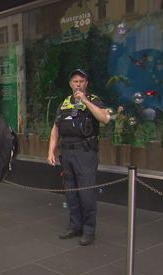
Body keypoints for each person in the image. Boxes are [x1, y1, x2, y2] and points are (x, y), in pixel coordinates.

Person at [47, 69, 110, 246]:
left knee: (86, 193)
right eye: (75, 81)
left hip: (85, 153)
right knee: (71, 193)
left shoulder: (94, 100)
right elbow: (55, 129)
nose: (78, 84)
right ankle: (74, 226)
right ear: (70, 84)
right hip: (66, 154)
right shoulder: (64, 104)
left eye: (82, 81)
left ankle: (89, 230)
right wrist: (51, 151)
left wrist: (85, 101)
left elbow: (105, 118)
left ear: (86, 83)